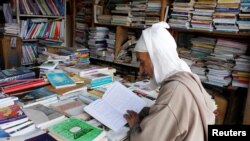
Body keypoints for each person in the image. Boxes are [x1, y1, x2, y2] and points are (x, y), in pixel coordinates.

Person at [123, 22, 217, 141]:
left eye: (142, 62)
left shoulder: (174, 89)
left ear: (157, 59)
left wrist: (135, 125)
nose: (141, 70)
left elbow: (146, 139)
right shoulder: (187, 76)